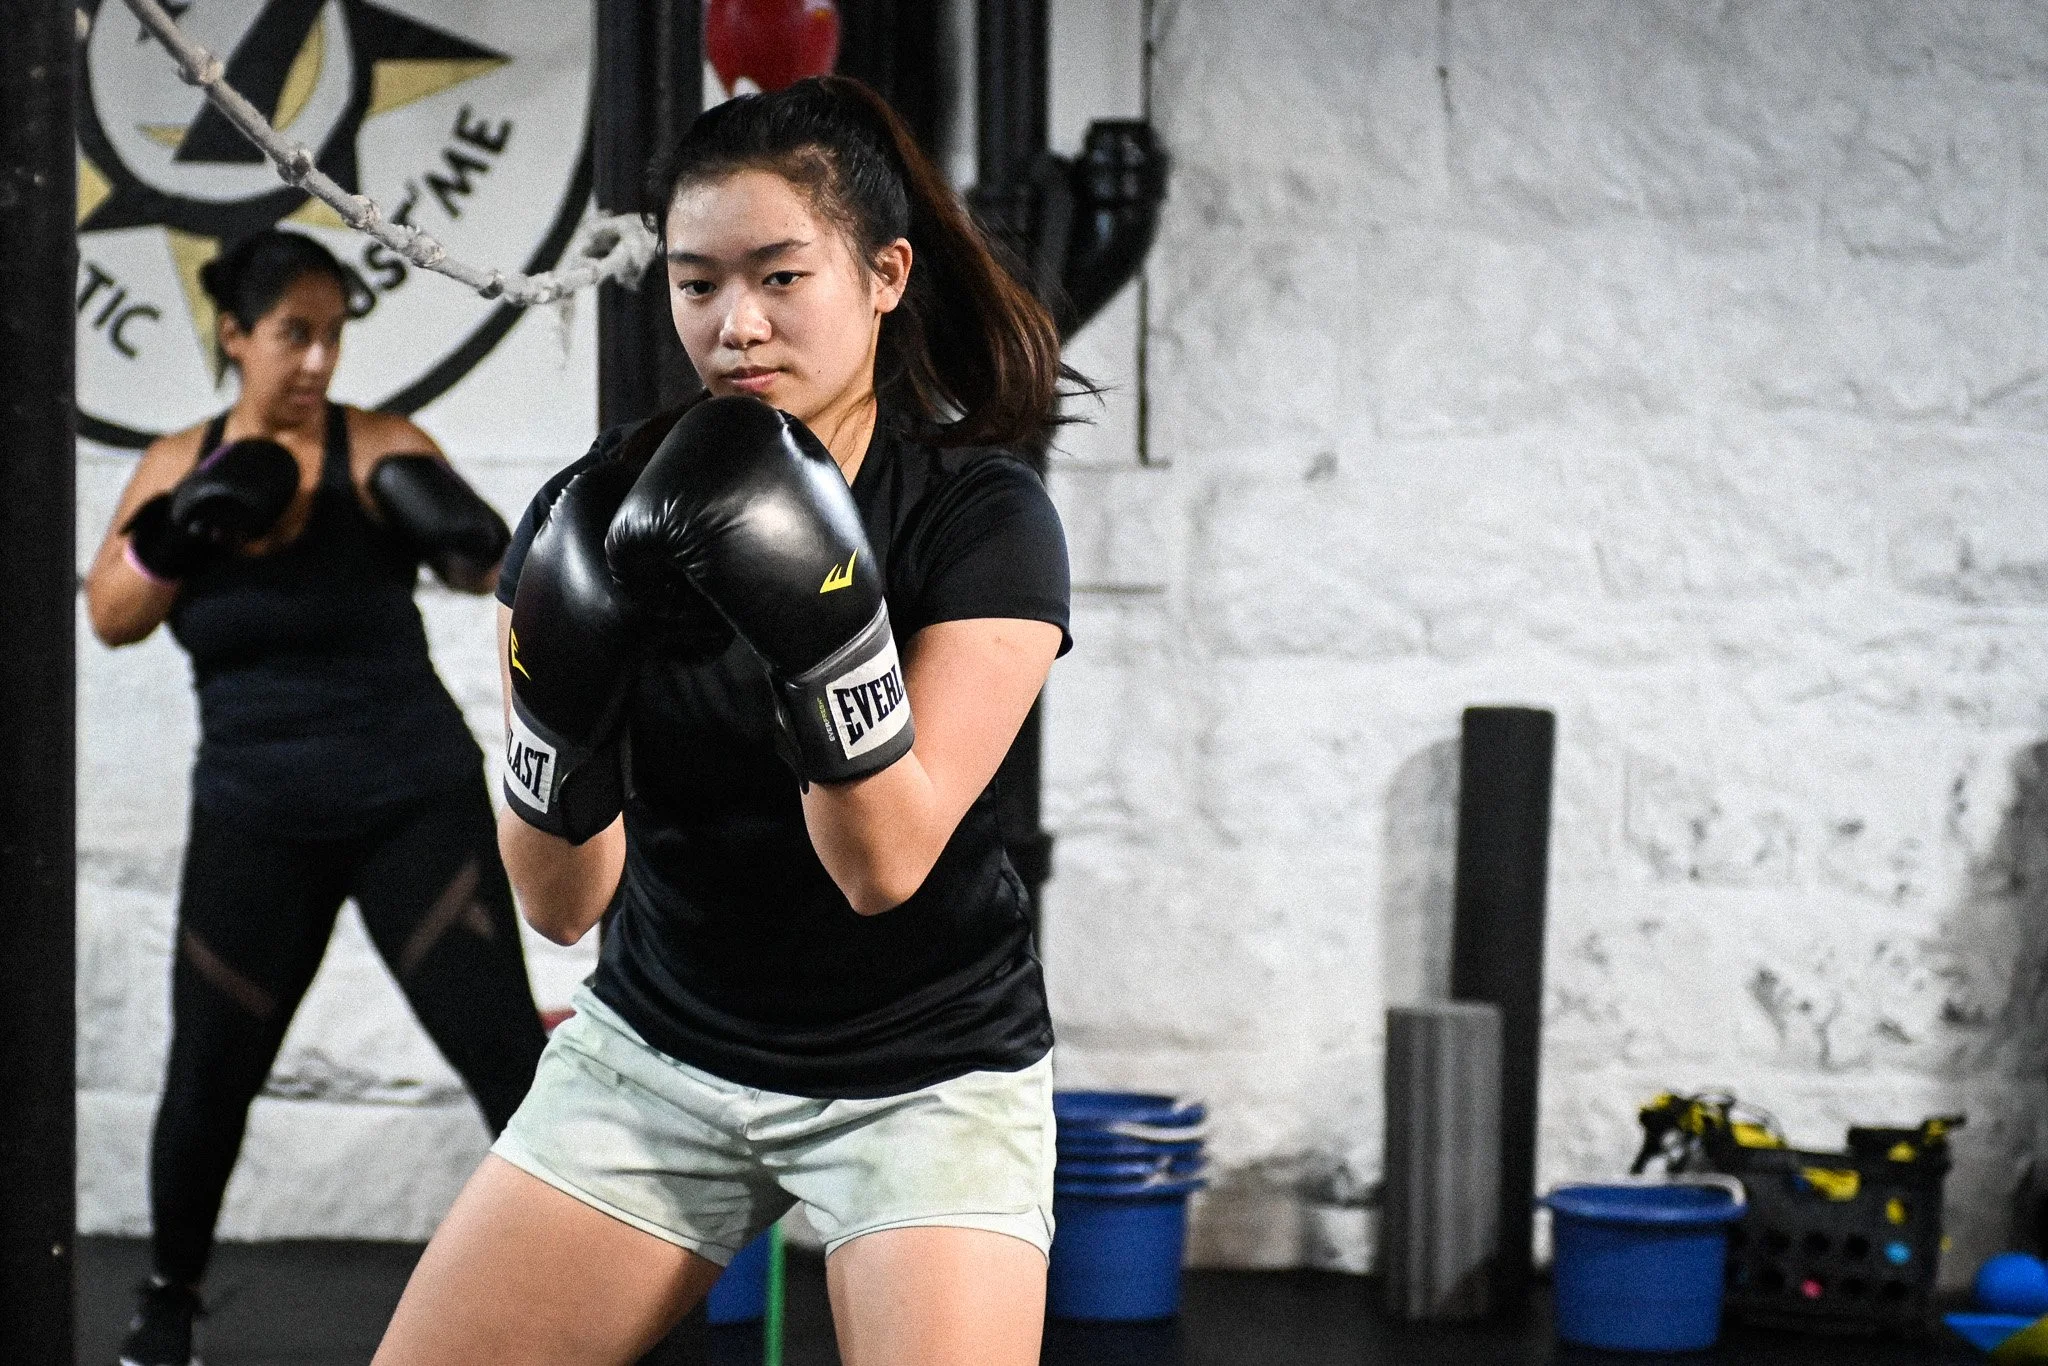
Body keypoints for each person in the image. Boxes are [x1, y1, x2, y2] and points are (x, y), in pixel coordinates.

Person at [374, 76, 1073, 1366]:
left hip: (924, 1075)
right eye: (696, 284)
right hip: (659, 1054)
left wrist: (815, 619)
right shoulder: (594, 518)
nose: (735, 325)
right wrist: (561, 693)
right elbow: (557, 901)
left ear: (883, 275)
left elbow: (882, 866)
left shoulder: (979, 520)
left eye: (778, 275)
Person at [84, 230, 550, 1366]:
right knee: (209, 1076)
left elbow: (497, 572)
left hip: (411, 804)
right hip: (256, 816)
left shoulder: (381, 447)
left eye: (334, 336)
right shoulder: (174, 463)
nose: (316, 362)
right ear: (235, 336)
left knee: (506, 1059)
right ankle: (168, 1299)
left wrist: (460, 527)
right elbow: (110, 615)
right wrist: (179, 527)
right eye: (293, 334)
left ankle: (580, 1297)